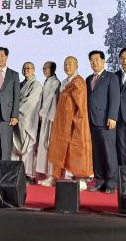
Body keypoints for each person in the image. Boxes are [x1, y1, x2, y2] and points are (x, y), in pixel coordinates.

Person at [48, 56, 93, 191]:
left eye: (70, 64)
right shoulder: (64, 82)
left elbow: (80, 105)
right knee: (62, 148)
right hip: (63, 122)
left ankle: (81, 179)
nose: (67, 66)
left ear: (77, 66)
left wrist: (77, 121)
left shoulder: (79, 82)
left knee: (77, 149)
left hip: (76, 122)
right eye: (65, 64)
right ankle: (57, 177)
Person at [86, 50, 120, 194]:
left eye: (97, 60)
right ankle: (99, 181)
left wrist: (112, 117)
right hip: (92, 121)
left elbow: (115, 98)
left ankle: (111, 182)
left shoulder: (111, 77)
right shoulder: (88, 79)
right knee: (97, 153)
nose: (94, 62)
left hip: (106, 121)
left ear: (103, 61)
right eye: (91, 60)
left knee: (109, 152)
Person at [11, 62, 43, 182]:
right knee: (15, 146)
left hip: (29, 119)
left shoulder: (36, 85)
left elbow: (30, 103)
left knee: (28, 146)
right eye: (24, 68)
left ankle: (28, 174)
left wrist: (14, 111)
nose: (26, 70)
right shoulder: (20, 85)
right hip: (17, 120)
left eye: (28, 68)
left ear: (34, 70)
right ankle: (16, 173)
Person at [35, 61, 61, 187]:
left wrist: (41, 112)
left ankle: (52, 176)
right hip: (46, 117)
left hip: (51, 117)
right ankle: (48, 175)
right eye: (43, 68)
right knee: (44, 145)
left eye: (47, 68)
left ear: (53, 69)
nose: (45, 70)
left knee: (50, 145)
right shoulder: (47, 81)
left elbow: (49, 99)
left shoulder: (55, 82)